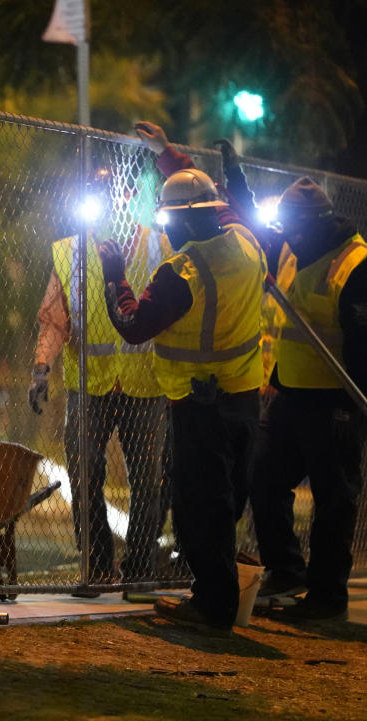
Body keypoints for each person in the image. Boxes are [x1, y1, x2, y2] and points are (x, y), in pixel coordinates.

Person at [97, 167, 267, 635]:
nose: (167, 228)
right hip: (244, 398)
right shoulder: (246, 240)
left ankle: (213, 606)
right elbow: (234, 206)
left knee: (200, 505)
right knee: (227, 500)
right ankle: (217, 594)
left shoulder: (183, 271)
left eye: (171, 220)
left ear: (189, 222)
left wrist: (115, 276)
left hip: (200, 405)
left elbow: (134, 326)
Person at [30, 166, 169, 586]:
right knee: (85, 475)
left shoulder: (158, 246)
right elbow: (55, 319)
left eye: (111, 195)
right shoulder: (69, 252)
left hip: (145, 383)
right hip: (89, 384)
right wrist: (41, 367)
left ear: (127, 199)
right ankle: (96, 564)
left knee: (147, 480)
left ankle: (140, 566)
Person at [249, 177, 367, 621]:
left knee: (333, 500)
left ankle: (326, 596)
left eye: (294, 228)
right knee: (263, 480)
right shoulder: (292, 247)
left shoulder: (356, 265)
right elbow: (244, 221)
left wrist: (353, 409)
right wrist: (236, 174)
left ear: (317, 222)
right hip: (291, 395)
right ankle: (286, 569)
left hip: (336, 402)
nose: (288, 237)